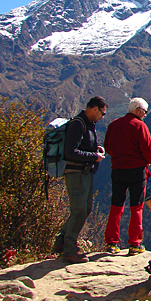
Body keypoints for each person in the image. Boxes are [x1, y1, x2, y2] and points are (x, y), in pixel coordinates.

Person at [53, 96, 107, 264]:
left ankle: (61, 242)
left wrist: (95, 150)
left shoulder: (87, 124)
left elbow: (81, 147)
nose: (102, 117)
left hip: (85, 173)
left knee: (86, 208)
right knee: (79, 211)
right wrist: (94, 156)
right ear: (94, 109)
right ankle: (69, 250)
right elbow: (70, 152)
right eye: (102, 113)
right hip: (76, 174)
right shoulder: (78, 124)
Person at [103, 97, 151, 256]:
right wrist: (147, 161)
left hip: (117, 170)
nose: (145, 115)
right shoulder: (140, 126)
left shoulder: (114, 124)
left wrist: (118, 158)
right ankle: (135, 243)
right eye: (144, 112)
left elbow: (107, 147)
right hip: (136, 171)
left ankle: (111, 242)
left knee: (116, 205)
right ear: (138, 110)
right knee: (136, 206)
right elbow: (148, 150)